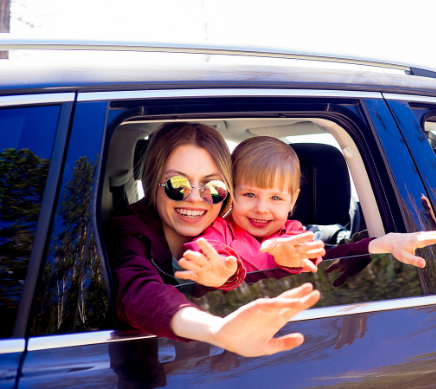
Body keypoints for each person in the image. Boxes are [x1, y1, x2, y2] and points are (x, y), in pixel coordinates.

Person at [104, 122, 320, 358]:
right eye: (178, 185)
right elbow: (138, 291)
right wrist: (215, 330)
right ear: (152, 180)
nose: (196, 198)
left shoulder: (237, 235)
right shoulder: (129, 230)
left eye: (212, 186)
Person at [175, 136, 436, 288]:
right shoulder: (218, 231)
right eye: (249, 194)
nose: (261, 208)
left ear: (292, 201)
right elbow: (208, 257)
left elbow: (328, 256)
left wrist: (383, 244)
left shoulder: (294, 233)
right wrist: (220, 270)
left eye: (275, 197)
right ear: (230, 194)